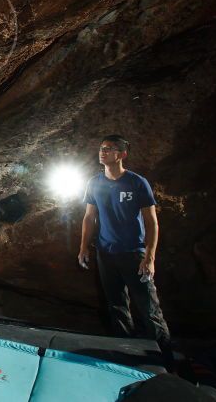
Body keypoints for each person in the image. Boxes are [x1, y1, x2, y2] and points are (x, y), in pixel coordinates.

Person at [78, 135, 173, 365]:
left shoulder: (137, 182)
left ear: (122, 154)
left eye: (109, 149)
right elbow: (89, 217)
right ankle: (127, 357)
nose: (103, 152)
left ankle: (167, 362)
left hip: (133, 253)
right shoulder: (94, 183)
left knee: (149, 308)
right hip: (106, 253)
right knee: (116, 305)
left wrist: (149, 257)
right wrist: (83, 247)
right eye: (101, 148)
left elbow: (152, 222)